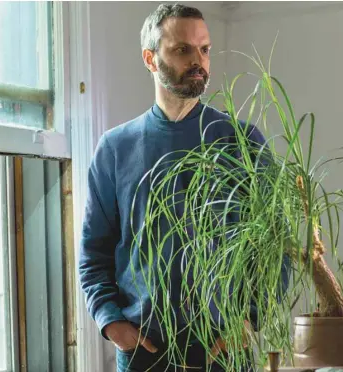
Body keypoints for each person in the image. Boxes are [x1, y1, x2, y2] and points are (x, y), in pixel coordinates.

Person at [79, 4, 283, 372]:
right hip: (144, 351)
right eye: (182, 49)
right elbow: (94, 255)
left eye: (204, 50)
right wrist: (111, 323)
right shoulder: (115, 148)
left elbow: (277, 246)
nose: (198, 61)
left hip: (226, 351)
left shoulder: (243, 142)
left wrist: (250, 321)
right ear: (150, 59)